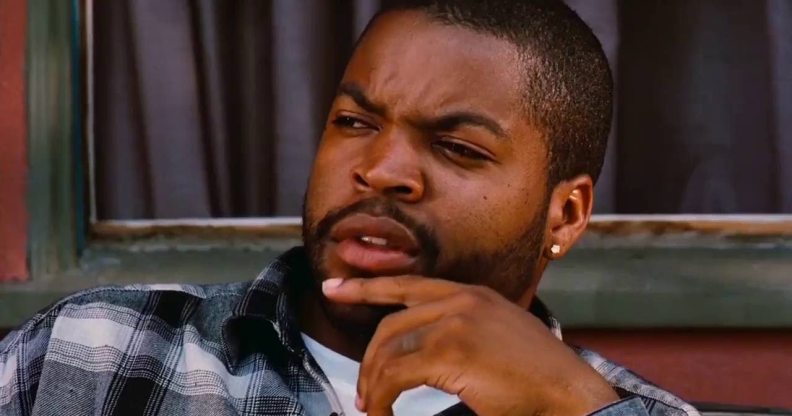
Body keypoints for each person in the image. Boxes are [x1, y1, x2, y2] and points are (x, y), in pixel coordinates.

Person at [0, 1, 700, 415]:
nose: (381, 170)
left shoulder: (601, 409)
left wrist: (570, 405)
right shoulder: (95, 351)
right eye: (355, 123)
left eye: (457, 147)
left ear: (566, 215)